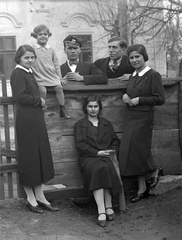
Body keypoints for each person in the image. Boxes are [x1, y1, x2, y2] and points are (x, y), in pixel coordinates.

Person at [10, 45, 59, 213]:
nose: (30, 60)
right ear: (19, 58)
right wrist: (39, 100)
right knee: (30, 158)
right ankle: (30, 198)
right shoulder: (18, 73)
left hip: (35, 118)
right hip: (26, 120)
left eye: (32, 57)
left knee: (38, 156)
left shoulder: (29, 72)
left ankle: (40, 195)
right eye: (26, 58)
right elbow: (20, 97)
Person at [119, 44, 165, 203]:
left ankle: (153, 172)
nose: (134, 60)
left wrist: (140, 100)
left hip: (144, 117)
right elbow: (132, 93)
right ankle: (142, 187)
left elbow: (160, 99)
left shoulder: (153, 75)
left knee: (139, 150)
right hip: (131, 116)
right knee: (132, 151)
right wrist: (126, 96)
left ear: (144, 57)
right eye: (131, 57)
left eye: (137, 56)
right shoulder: (133, 75)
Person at [74, 95, 123, 227]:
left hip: (106, 156)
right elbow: (80, 145)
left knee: (105, 167)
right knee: (98, 168)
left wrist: (111, 151)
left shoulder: (106, 124)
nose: (93, 109)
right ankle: (101, 209)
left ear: (100, 108)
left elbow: (115, 141)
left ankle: (109, 205)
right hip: (88, 158)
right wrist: (97, 152)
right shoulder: (80, 125)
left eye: (96, 106)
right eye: (90, 106)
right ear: (85, 108)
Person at [31, 24, 71, 119]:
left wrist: (59, 78)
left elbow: (56, 64)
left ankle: (62, 109)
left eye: (45, 34)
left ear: (48, 36)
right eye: (40, 34)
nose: (43, 36)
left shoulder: (51, 49)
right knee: (42, 90)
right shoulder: (33, 48)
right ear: (35, 36)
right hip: (39, 75)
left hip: (51, 75)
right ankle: (41, 109)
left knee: (59, 88)